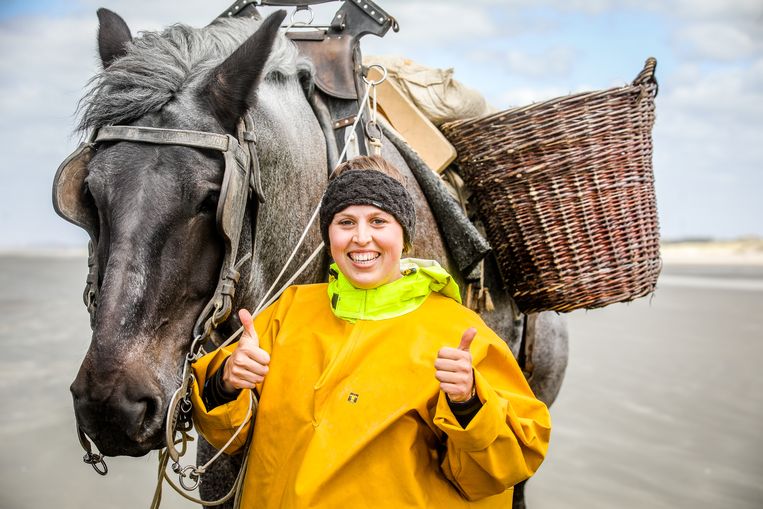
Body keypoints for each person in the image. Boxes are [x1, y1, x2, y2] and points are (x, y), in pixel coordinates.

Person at [190, 155, 551, 508]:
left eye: (379, 221)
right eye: (346, 222)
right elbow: (225, 435)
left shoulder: (459, 332)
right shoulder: (288, 311)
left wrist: (470, 401)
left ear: (405, 235)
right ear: (328, 235)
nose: (361, 238)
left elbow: (511, 462)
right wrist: (225, 382)